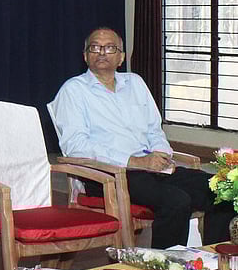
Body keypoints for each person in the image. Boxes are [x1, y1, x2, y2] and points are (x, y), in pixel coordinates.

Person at [50, 27, 232, 249]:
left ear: (121, 57)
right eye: (95, 47)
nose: (101, 53)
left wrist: (161, 154)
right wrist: (133, 161)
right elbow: (76, 146)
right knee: (176, 200)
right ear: (85, 55)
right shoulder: (73, 91)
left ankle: (213, 261)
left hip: (151, 168)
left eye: (110, 48)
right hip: (108, 174)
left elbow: (154, 130)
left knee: (222, 191)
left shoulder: (134, 83)